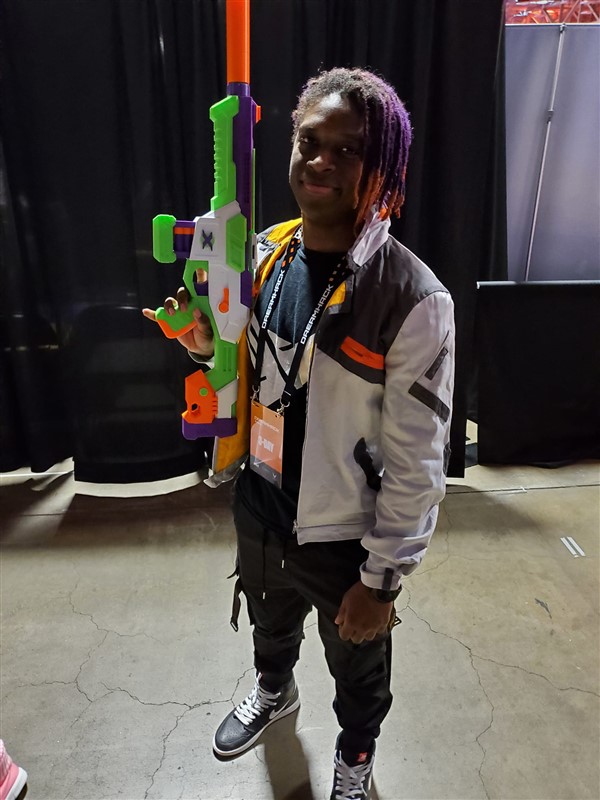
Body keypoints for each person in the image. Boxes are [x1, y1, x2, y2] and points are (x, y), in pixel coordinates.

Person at [144, 67, 454, 800]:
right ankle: (274, 690)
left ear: (383, 168)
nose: (321, 161)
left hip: (345, 533)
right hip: (261, 498)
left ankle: (356, 754)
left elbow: (417, 465)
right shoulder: (266, 255)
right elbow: (252, 371)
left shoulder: (412, 299)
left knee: (358, 662)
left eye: (348, 150)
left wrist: (381, 580)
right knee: (269, 619)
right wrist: (204, 348)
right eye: (310, 142)